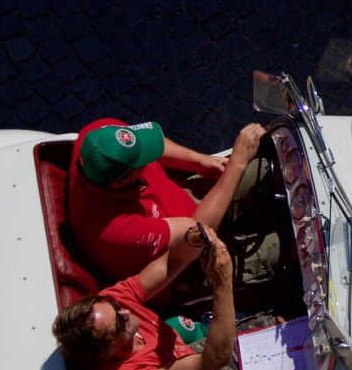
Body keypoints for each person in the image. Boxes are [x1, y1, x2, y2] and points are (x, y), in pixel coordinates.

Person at [50, 227, 299, 370]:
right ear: (105, 352)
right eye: (118, 325)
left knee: (288, 330)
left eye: (117, 308)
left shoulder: (112, 305)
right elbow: (214, 360)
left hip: (198, 362)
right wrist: (222, 283)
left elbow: (171, 262)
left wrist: (191, 242)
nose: (126, 313)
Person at [65, 115, 268, 292]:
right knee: (276, 250)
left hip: (185, 197)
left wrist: (200, 161)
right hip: (190, 262)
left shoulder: (98, 138)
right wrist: (238, 163)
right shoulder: (114, 230)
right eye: (142, 160)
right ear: (120, 182)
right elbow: (198, 231)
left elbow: (154, 145)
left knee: (264, 169)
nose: (149, 156)